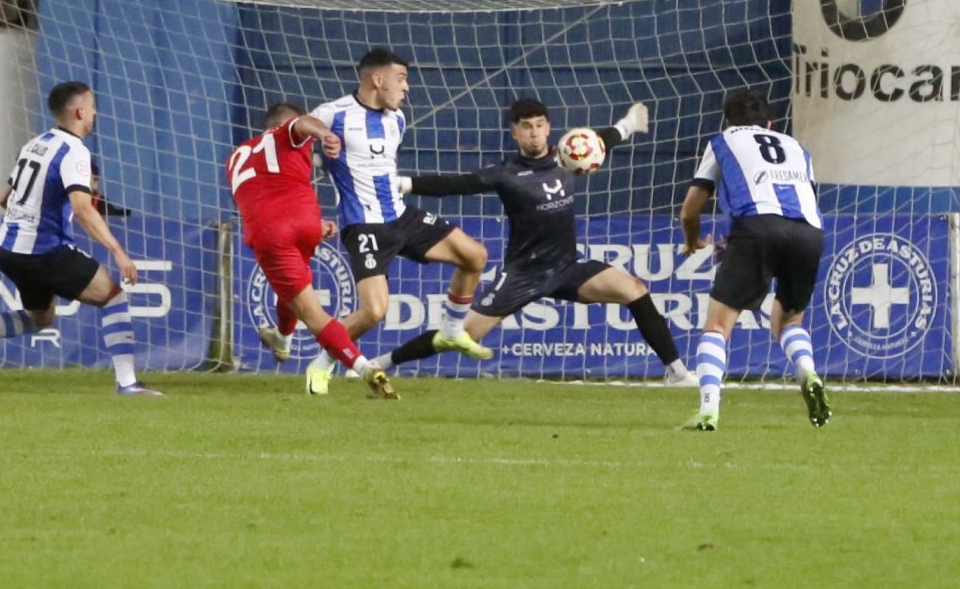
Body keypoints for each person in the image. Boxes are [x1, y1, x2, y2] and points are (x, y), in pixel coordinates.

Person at [384, 99, 694, 385]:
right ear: (515, 133)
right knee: (461, 334)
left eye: (540, 124)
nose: (534, 133)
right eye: (526, 126)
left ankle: (676, 372)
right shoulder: (505, 173)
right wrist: (406, 184)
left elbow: (601, 143)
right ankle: (381, 362)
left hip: (567, 267)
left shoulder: (568, 157)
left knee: (635, 290)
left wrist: (626, 126)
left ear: (548, 128)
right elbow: (458, 184)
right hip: (523, 274)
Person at [0, 81, 157, 395]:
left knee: (41, 317)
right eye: (92, 106)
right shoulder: (74, 152)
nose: (95, 113)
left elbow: (4, 198)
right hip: (43, 251)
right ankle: (128, 383)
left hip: (9, 250)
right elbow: (83, 209)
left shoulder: (35, 144)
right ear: (80, 111)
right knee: (113, 296)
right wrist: (118, 252)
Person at [306, 48, 493, 398]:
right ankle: (322, 362)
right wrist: (320, 148)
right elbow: (294, 138)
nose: (407, 88)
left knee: (475, 256)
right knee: (374, 311)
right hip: (363, 225)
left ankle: (452, 329)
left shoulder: (398, 119)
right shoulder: (332, 114)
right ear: (378, 79)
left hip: (401, 216)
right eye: (401, 79)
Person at [677, 88, 831, 431]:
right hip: (809, 233)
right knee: (789, 322)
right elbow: (795, 206)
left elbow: (690, 209)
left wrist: (692, 241)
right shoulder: (796, 148)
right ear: (770, 123)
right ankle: (807, 370)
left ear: (728, 120)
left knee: (718, 326)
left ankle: (708, 409)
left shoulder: (723, 141)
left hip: (756, 228)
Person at [227, 101, 384, 395]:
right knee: (292, 294)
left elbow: (262, 195)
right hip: (306, 222)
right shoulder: (285, 133)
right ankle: (282, 341)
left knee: (312, 313)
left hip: (271, 230)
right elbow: (302, 125)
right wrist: (324, 133)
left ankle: (365, 367)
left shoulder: (235, 157)